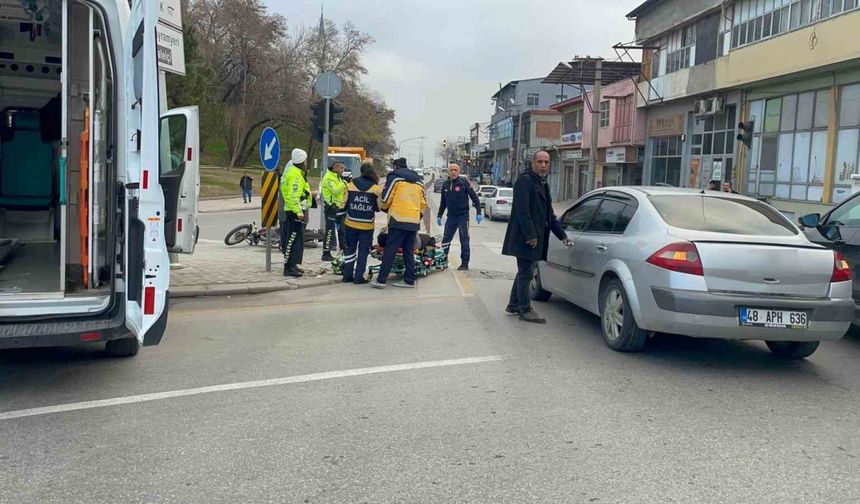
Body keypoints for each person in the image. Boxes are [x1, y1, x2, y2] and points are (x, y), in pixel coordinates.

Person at [502, 150, 570, 324]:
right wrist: (531, 236)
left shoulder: (542, 183)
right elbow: (522, 211)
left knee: (524, 271)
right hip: (526, 238)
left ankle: (514, 304)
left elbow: (550, 215)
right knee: (526, 273)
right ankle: (525, 309)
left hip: (535, 238)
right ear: (533, 163)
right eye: (540, 162)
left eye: (546, 162)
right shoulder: (525, 181)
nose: (543, 165)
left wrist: (563, 236)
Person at [372, 158, 427, 289]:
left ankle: (381, 280)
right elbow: (423, 204)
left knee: (390, 250)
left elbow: (385, 199)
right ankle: (409, 280)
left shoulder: (395, 179)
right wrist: (416, 217)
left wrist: (382, 206)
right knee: (409, 251)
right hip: (413, 221)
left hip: (398, 220)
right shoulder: (419, 183)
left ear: (395, 167)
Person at [437, 163, 481, 270]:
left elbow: (474, 197)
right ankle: (443, 260)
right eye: (451, 170)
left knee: (464, 239)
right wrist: (439, 215)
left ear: (459, 171)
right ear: (448, 171)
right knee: (446, 239)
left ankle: (464, 263)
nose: (453, 172)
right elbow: (443, 202)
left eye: (455, 170)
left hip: (463, 216)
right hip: (451, 217)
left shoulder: (463, 182)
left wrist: (479, 212)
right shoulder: (445, 185)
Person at [342, 163, 382, 284]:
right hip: (367, 226)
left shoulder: (350, 185)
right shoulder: (376, 189)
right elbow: (379, 207)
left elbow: (343, 203)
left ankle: (347, 276)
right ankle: (359, 277)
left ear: (360, 171)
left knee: (350, 249)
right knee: (363, 252)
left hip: (350, 223)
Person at [280, 148, 311, 278]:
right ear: (301, 161)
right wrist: (299, 212)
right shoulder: (295, 175)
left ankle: (292, 265)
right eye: (305, 160)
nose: (306, 163)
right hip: (295, 212)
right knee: (292, 241)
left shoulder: (291, 172)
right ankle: (288, 267)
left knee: (295, 240)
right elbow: (293, 196)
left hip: (293, 210)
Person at [321, 161, 348, 261]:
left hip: (338, 208)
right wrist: (344, 183)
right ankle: (326, 253)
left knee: (341, 230)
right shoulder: (329, 178)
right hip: (330, 208)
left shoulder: (336, 177)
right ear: (335, 168)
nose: (343, 170)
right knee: (329, 231)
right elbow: (335, 190)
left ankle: (343, 250)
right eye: (341, 168)